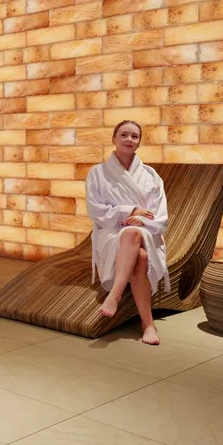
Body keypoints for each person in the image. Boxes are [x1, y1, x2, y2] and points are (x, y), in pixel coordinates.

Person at [85, 120, 169, 346]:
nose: (129, 139)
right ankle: (148, 324)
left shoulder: (150, 175)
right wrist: (130, 210)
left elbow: (160, 215)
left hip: (145, 231)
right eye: (123, 135)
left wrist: (141, 220)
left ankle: (115, 294)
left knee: (132, 232)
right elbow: (95, 210)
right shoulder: (97, 173)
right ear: (113, 138)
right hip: (110, 232)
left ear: (139, 143)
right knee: (140, 257)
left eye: (134, 136)